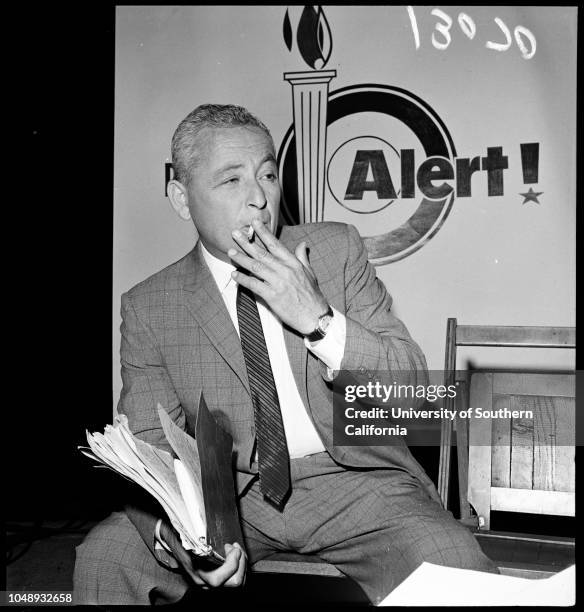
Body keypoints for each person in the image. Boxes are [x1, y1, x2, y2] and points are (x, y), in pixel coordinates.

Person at [74, 103, 498, 605]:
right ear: (182, 199)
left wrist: (318, 319)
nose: (259, 199)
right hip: (231, 500)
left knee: (452, 562)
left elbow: (412, 393)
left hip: (357, 485)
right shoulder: (149, 305)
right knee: (106, 555)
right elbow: (149, 447)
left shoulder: (336, 250)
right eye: (231, 181)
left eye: (268, 175)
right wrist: (179, 537)